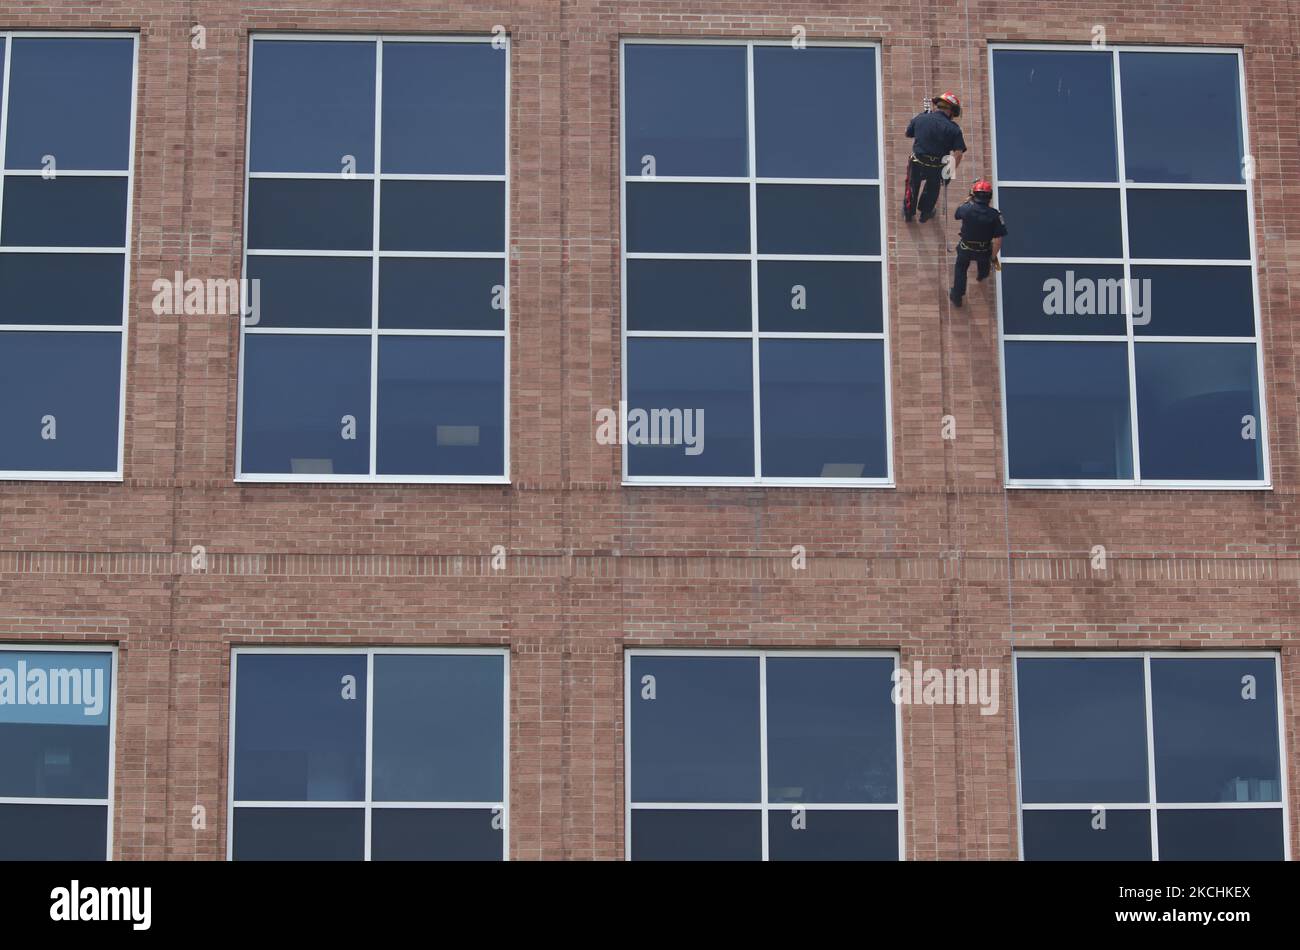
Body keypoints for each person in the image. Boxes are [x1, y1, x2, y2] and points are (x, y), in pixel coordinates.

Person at [903, 92, 966, 223]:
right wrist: (949, 172)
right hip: (936, 166)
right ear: (951, 110)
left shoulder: (921, 118)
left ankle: (908, 212)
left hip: (918, 161)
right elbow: (958, 153)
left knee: (912, 185)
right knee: (933, 187)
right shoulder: (954, 129)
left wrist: (921, 118)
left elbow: (907, 133)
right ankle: (925, 212)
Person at [949, 179, 1006, 307]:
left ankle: (957, 296)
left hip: (966, 248)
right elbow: (998, 239)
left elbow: (957, 214)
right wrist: (993, 256)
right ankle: (982, 276)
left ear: (974, 195)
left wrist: (968, 199)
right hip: (984, 250)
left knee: (961, 269)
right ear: (989, 196)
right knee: (984, 265)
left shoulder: (967, 209)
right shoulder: (995, 215)